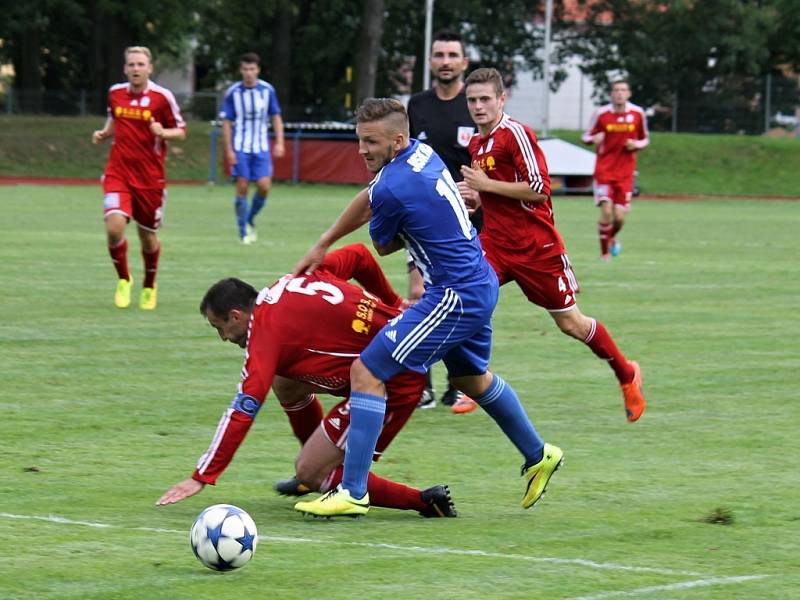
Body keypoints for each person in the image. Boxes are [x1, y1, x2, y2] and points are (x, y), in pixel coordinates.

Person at [291, 98, 563, 519]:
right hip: (481, 280)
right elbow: (372, 196)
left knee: (366, 371)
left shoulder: (392, 187)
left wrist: (403, 223)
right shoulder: (422, 151)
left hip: (453, 294)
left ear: (396, 139)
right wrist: (325, 240)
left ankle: (353, 491)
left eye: (371, 142)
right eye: (359, 140)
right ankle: (538, 453)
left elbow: (381, 243)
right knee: (472, 379)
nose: (362, 150)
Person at [156, 244, 457, 519]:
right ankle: (319, 465)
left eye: (219, 328)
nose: (223, 338)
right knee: (284, 381)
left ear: (236, 316)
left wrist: (202, 475)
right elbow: (359, 256)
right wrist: (393, 306)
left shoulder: (265, 334)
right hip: (395, 353)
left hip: (393, 382)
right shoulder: (293, 281)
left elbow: (244, 408)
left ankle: (422, 501)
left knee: (311, 471)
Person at [459, 68, 646, 423]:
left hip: (536, 247)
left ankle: (626, 373)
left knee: (571, 324)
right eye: (472, 100)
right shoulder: (476, 143)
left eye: (486, 99)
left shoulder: (516, 134)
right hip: (495, 243)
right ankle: (477, 384)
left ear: (502, 99)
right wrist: (474, 197)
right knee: (466, 298)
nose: (479, 106)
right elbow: (491, 193)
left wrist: (485, 185)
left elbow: (540, 188)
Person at [407, 29, 480, 414]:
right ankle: (420, 385)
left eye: (453, 54)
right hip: (422, 223)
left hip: (469, 223)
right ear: (432, 62)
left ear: (464, 62)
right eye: (439, 54)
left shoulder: (475, 106)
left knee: (463, 303)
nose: (446, 61)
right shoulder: (416, 105)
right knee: (419, 296)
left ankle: (462, 383)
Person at [92, 46, 186, 310]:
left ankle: (149, 285)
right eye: (131, 64)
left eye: (141, 64)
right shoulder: (115, 93)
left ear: (149, 68)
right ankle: (124, 279)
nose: (136, 68)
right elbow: (113, 121)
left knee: (147, 237)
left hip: (150, 179)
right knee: (114, 228)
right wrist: (104, 133)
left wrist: (163, 133)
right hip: (118, 172)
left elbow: (181, 131)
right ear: (125, 68)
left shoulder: (162, 97)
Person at [581, 80, 650, 260]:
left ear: (629, 93)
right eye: (616, 90)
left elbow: (645, 139)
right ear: (611, 93)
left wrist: (635, 144)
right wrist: (593, 138)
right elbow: (586, 136)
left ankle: (611, 237)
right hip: (604, 171)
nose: (619, 93)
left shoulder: (637, 113)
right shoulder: (601, 114)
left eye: (623, 90)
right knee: (606, 210)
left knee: (619, 217)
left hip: (625, 173)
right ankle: (604, 254)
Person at [221, 52, 285, 244]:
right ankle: (242, 231)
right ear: (241, 70)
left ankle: (249, 218)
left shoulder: (267, 91)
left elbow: (275, 117)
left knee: (264, 186)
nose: (249, 73)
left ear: (258, 70)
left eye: (252, 69)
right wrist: (229, 150)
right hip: (240, 145)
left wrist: (280, 142)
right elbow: (226, 122)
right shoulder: (233, 93)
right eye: (245, 69)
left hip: (261, 146)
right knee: (242, 185)